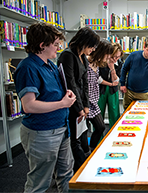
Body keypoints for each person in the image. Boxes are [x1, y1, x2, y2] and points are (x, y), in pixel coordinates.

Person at [13, 22, 76, 193]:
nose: (58, 48)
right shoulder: (28, 68)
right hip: (42, 132)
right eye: (55, 44)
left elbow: (53, 93)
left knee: (66, 174)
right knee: (40, 182)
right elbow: (29, 105)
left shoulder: (50, 65)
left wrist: (67, 94)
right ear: (42, 45)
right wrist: (63, 103)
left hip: (61, 128)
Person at [57, 27, 100, 172]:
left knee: (83, 136)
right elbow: (71, 84)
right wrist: (79, 108)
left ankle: (81, 168)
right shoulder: (68, 55)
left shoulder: (83, 58)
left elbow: (85, 82)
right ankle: (80, 171)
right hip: (72, 104)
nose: (93, 50)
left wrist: (86, 106)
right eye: (92, 46)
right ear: (84, 42)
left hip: (82, 103)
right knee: (75, 140)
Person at [86, 40, 114, 152]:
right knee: (84, 131)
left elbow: (97, 79)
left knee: (101, 127)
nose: (109, 57)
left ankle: (91, 149)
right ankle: (86, 152)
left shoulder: (96, 65)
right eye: (107, 54)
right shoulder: (86, 63)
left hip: (94, 102)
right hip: (86, 102)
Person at [120, 39, 148, 110]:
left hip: (143, 93)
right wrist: (122, 84)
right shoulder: (133, 55)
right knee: (127, 112)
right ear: (144, 48)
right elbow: (124, 69)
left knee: (142, 114)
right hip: (129, 91)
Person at [98, 43, 124, 128]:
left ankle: (113, 135)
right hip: (101, 89)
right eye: (114, 57)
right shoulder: (101, 61)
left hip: (113, 90)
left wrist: (112, 68)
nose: (116, 59)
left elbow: (116, 80)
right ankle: (99, 139)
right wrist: (110, 83)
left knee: (114, 113)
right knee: (99, 115)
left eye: (118, 57)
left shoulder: (119, 63)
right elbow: (98, 79)